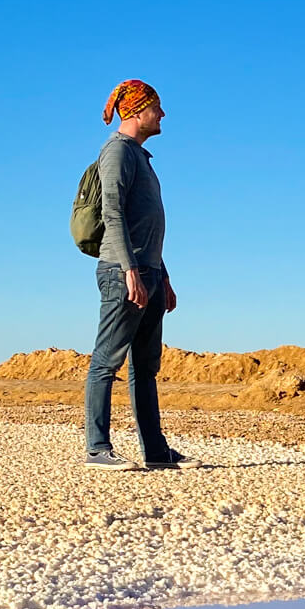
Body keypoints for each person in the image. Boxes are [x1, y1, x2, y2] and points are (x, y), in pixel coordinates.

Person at [84, 79, 190, 471]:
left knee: (145, 367)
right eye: (156, 107)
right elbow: (112, 213)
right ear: (135, 111)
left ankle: (156, 452)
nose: (162, 115)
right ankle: (97, 449)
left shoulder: (141, 158)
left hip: (149, 271)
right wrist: (130, 271)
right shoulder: (117, 152)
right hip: (121, 272)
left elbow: (148, 227)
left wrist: (163, 276)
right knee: (106, 361)